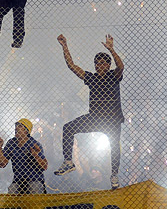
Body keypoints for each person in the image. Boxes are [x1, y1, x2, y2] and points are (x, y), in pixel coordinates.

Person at [53, 34, 123, 190]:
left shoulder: (113, 76)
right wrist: (65, 46)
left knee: (114, 147)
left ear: (107, 65)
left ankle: (114, 175)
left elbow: (120, 66)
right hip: (95, 118)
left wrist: (111, 49)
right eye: (97, 63)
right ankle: (69, 162)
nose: (99, 65)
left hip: (112, 119)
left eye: (102, 63)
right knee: (68, 128)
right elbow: (72, 66)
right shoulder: (92, 78)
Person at [0, 118, 48, 194]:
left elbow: (44, 166)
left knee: (34, 188)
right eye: (16, 126)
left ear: (26, 130)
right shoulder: (11, 143)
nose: (16, 128)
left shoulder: (34, 144)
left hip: (34, 180)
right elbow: (2, 164)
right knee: (12, 191)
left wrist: (36, 155)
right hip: (18, 181)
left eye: (20, 126)